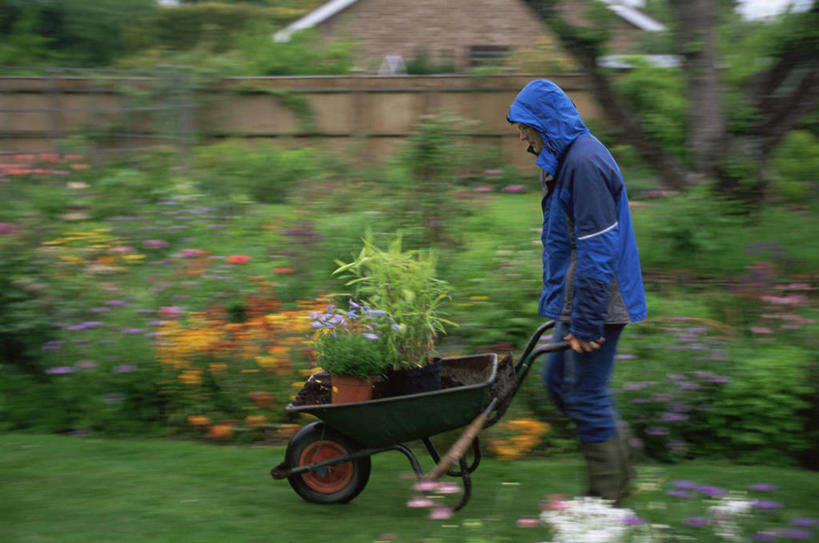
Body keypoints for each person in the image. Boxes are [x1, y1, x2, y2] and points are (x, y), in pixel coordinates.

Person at [506, 79, 647, 506]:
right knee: (559, 386)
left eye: (524, 125)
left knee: (586, 397)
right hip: (581, 295)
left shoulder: (584, 164)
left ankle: (605, 505)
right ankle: (622, 453)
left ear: (546, 123)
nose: (519, 134)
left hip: (600, 301)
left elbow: (599, 247)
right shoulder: (567, 158)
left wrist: (585, 321)